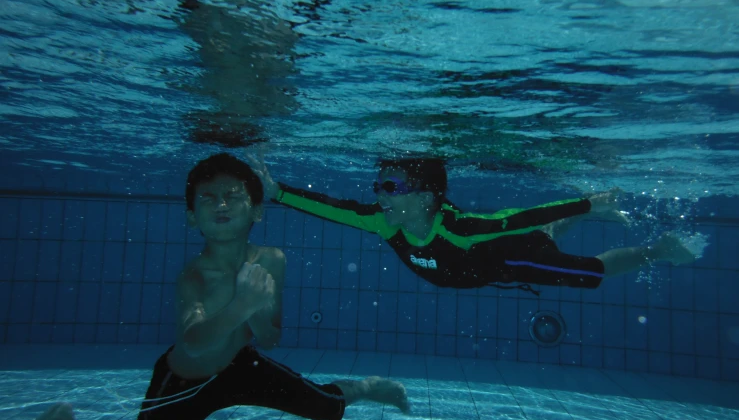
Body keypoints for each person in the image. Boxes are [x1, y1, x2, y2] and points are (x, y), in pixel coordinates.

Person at [0, 153, 409, 420]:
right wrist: (242, 306)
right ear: (191, 216)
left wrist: (256, 313)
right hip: (184, 383)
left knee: (325, 406)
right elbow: (193, 339)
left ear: (257, 211)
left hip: (241, 367)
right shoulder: (193, 276)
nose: (222, 204)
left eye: (233, 195)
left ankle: (368, 387)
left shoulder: (272, 260)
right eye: (208, 198)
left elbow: (269, 338)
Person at [246, 152, 698, 296]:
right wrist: (278, 192)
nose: (377, 193)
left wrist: (583, 202)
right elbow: (332, 207)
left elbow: (512, 220)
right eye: (378, 183)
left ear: (425, 198)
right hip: (484, 268)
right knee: (544, 235)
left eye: (389, 186)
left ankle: (659, 249)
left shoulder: (459, 228)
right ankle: (568, 226)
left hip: (509, 262)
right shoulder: (383, 222)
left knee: (586, 274)